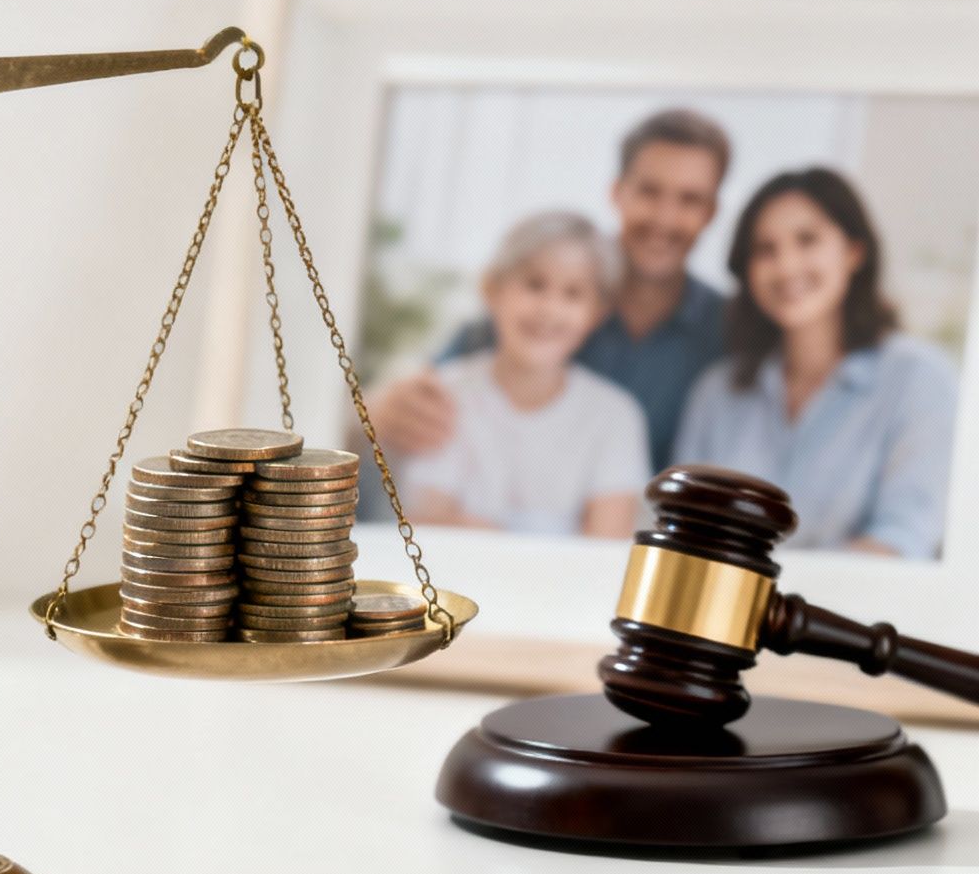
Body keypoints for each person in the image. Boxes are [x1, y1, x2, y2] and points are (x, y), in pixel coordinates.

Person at [371, 109, 731, 474]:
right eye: (649, 192)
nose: (665, 219)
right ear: (617, 192)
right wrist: (381, 411)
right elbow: (427, 390)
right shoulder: (543, 300)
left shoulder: (730, 331)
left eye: (690, 200)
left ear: (711, 212)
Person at [675, 168, 956, 558]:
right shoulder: (717, 392)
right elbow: (686, 534)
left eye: (807, 241)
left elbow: (906, 537)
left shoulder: (919, 380)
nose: (787, 265)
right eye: (765, 250)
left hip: (858, 615)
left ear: (854, 251)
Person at [394, 211, 649, 538]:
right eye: (534, 285)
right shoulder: (446, 394)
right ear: (492, 290)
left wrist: (480, 529)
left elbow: (605, 546)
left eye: (573, 293)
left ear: (597, 313)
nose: (549, 309)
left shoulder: (615, 417)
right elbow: (427, 527)